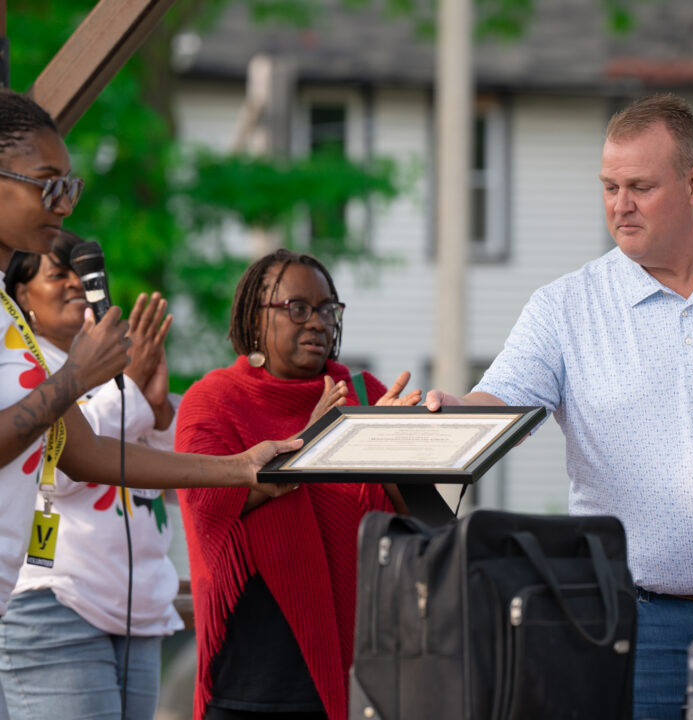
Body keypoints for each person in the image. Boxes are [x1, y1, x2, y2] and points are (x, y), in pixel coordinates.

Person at [0, 89, 299, 718]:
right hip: (51, 602)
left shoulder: (12, 324)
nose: (67, 204)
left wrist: (243, 466)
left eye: (71, 186)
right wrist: (77, 377)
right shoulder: (44, 347)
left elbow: (82, 453)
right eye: (48, 184)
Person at [426, 93, 693, 720]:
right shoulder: (565, 309)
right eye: (609, 186)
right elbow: (496, 409)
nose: (620, 205)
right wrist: (446, 415)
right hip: (635, 627)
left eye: (640, 186)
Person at [175, 248, 421, 720]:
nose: (317, 322)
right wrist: (312, 444)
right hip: (250, 681)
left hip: (363, 676)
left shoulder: (364, 394)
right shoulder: (214, 402)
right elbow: (208, 506)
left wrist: (399, 452)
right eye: (298, 309)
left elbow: (422, 519)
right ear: (255, 317)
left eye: (327, 309)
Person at [0, 230, 181, 719]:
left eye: (82, 275)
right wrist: (135, 400)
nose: (77, 285)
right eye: (58, 274)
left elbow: (167, 480)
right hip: (58, 602)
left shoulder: (119, 370)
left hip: (137, 610)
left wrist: (159, 408)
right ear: (22, 296)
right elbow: (55, 470)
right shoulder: (25, 366)